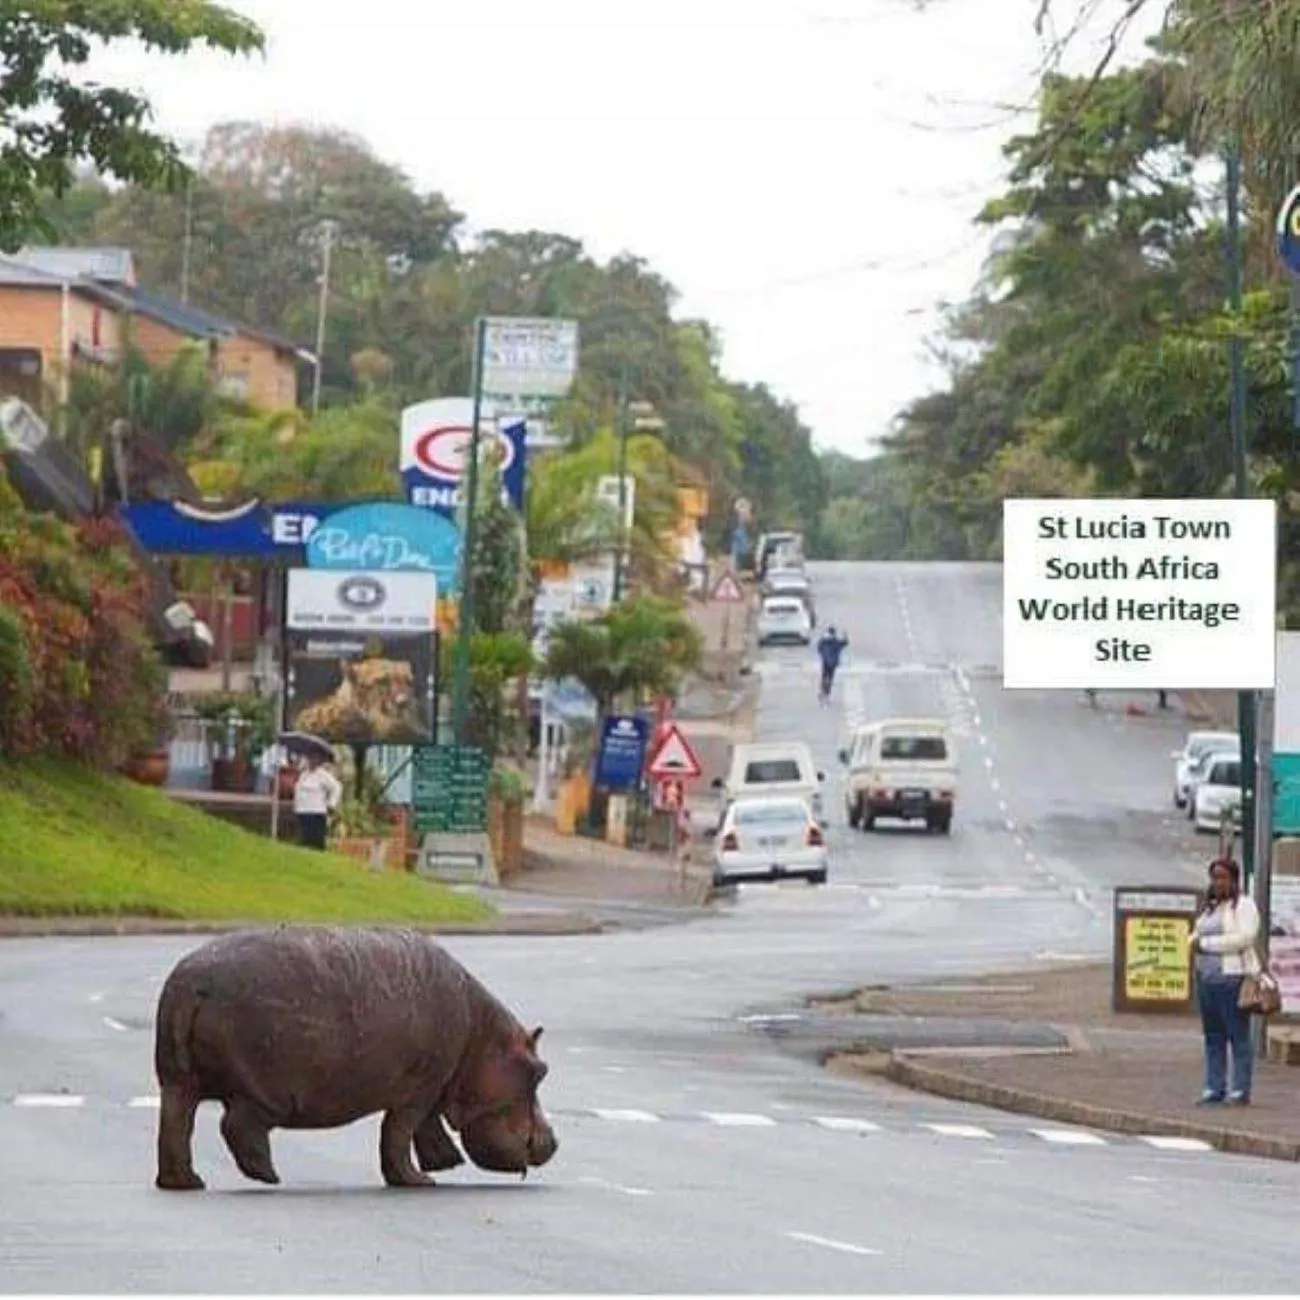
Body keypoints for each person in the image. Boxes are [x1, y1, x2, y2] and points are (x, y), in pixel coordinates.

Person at [1190, 857, 1261, 1106]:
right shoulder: (1210, 907)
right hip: (1207, 979)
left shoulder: (1243, 906)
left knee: (1237, 1035)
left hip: (1232, 979)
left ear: (1234, 880)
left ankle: (1240, 1089)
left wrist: (1207, 945)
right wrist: (1193, 941)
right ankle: (1214, 1086)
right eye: (1215, 877)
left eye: (1223, 877)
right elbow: (1197, 931)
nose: (1219, 882)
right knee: (1213, 1036)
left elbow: (1244, 937)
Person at [293, 751, 343, 851]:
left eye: (314, 758)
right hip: (303, 812)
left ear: (319, 760)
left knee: (316, 842)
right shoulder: (304, 774)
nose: (311, 761)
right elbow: (298, 791)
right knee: (305, 841)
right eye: (310, 758)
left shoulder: (323, 775)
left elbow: (337, 787)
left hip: (317, 813)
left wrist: (331, 804)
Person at [816, 626, 849, 700]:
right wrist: (845, 635)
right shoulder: (836, 641)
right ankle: (827, 692)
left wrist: (823, 654)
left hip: (825, 661)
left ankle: (823, 691)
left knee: (824, 676)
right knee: (830, 677)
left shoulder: (823, 641)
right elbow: (845, 643)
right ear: (834, 633)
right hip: (833, 663)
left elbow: (819, 649)